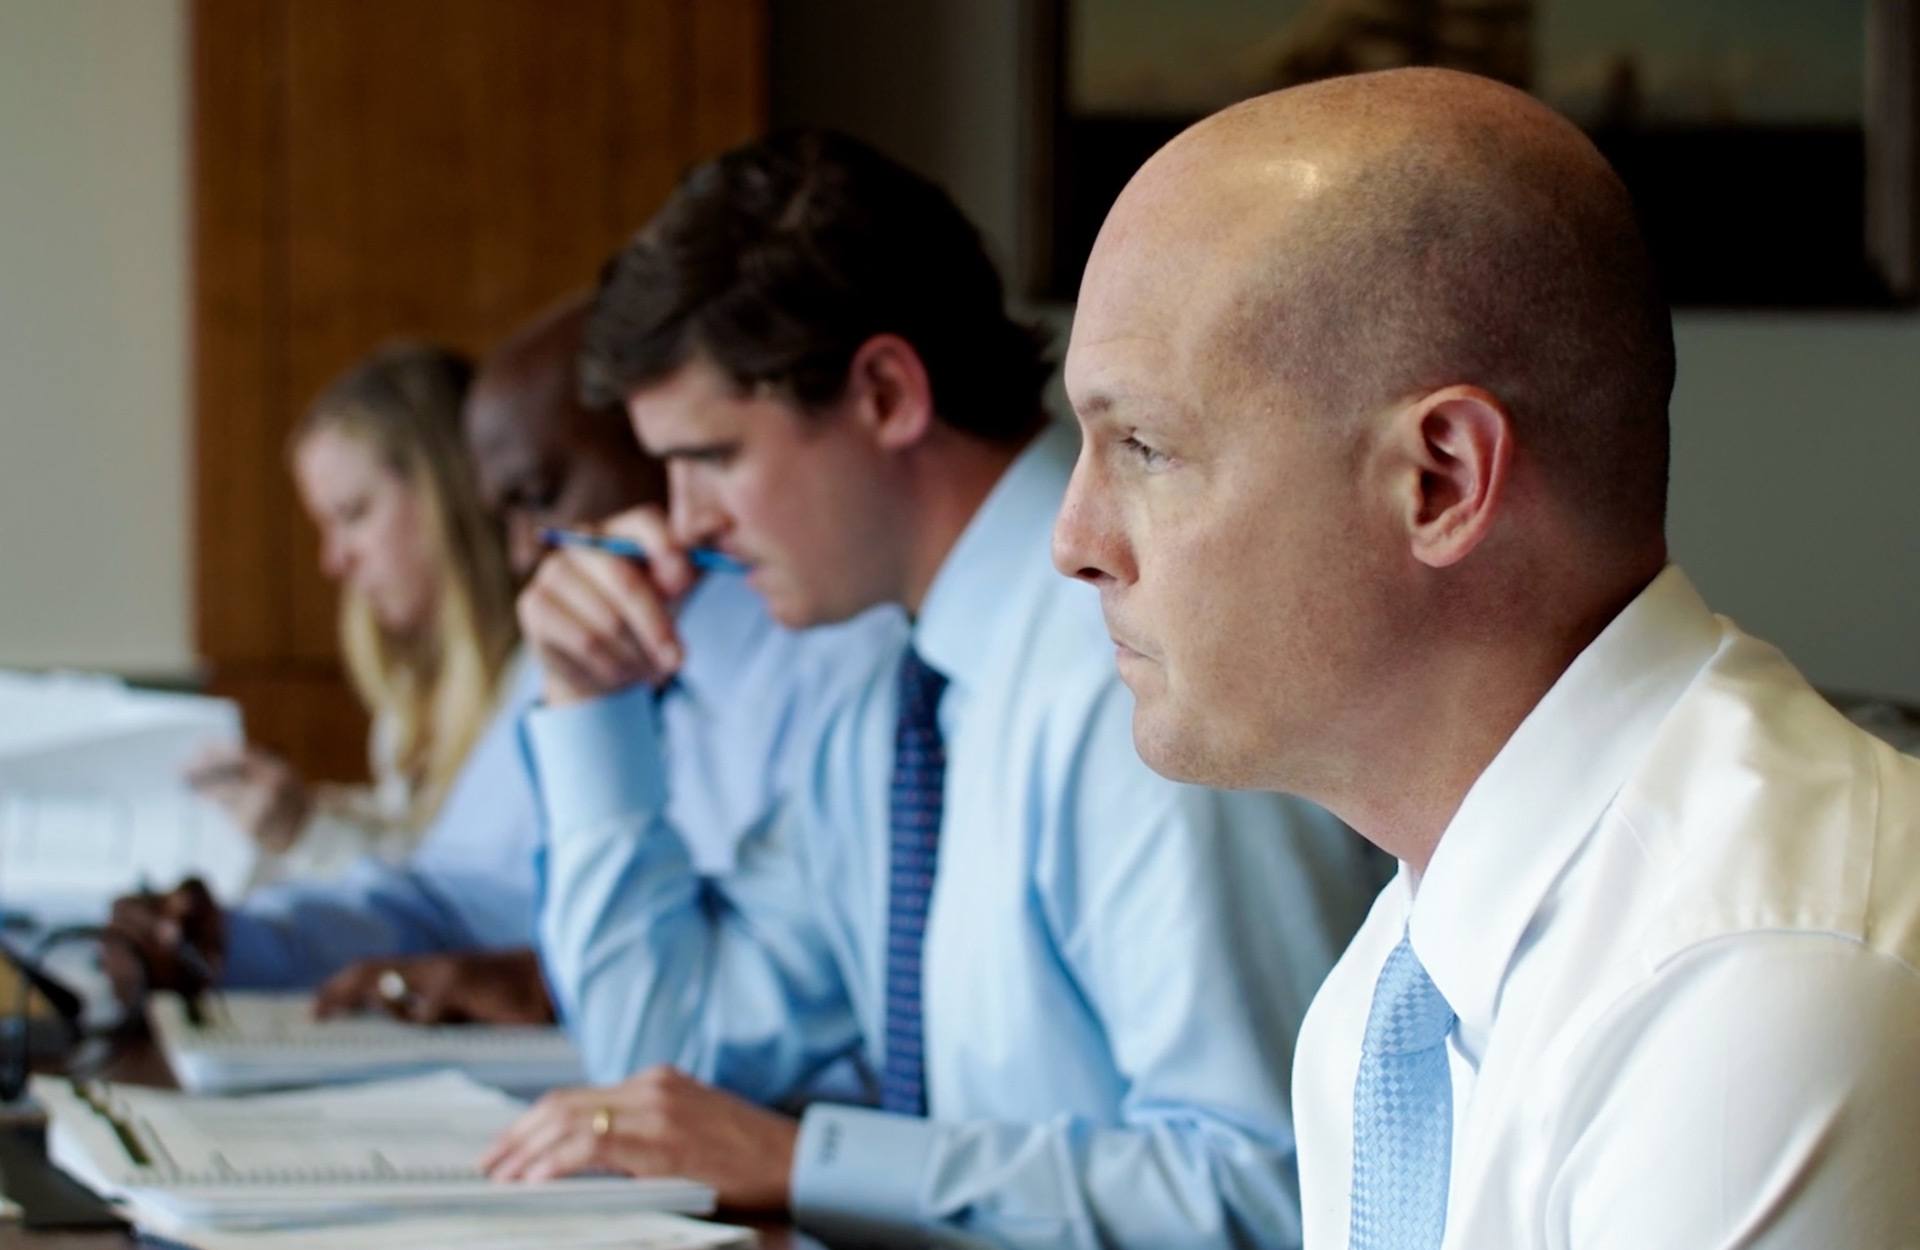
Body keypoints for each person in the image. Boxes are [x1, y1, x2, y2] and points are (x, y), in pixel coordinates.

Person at [1051, 66, 1920, 1249]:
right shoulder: (1390, 981)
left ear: (1442, 480)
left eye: (1145, 446)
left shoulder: (1753, 986)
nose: (1075, 543)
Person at [481, 129, 1380, 1250]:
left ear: (886, 393)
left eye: (712, 456)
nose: (686, 519)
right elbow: (667, 1054)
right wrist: (592, 706)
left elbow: (1266, 1194)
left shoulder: (1144, 673)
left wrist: (811, 1161)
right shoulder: (887, 699)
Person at [108, 299, 900, 1024]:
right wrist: (231, 943)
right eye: (506, 514)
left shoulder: (833, 656)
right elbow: (455, 893)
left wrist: (553, 979)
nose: (525, 551)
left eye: (542, 495)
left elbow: (798, 977)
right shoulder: (559, 656)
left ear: (656, 449)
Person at [190, 344, 521, 888]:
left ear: (447, 491)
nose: (333, 561)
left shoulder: (543, 681)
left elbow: (465, 904)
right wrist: (304, 814)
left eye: (354, 514)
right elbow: (413, 841)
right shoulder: (413, 690)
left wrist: (307, 833)